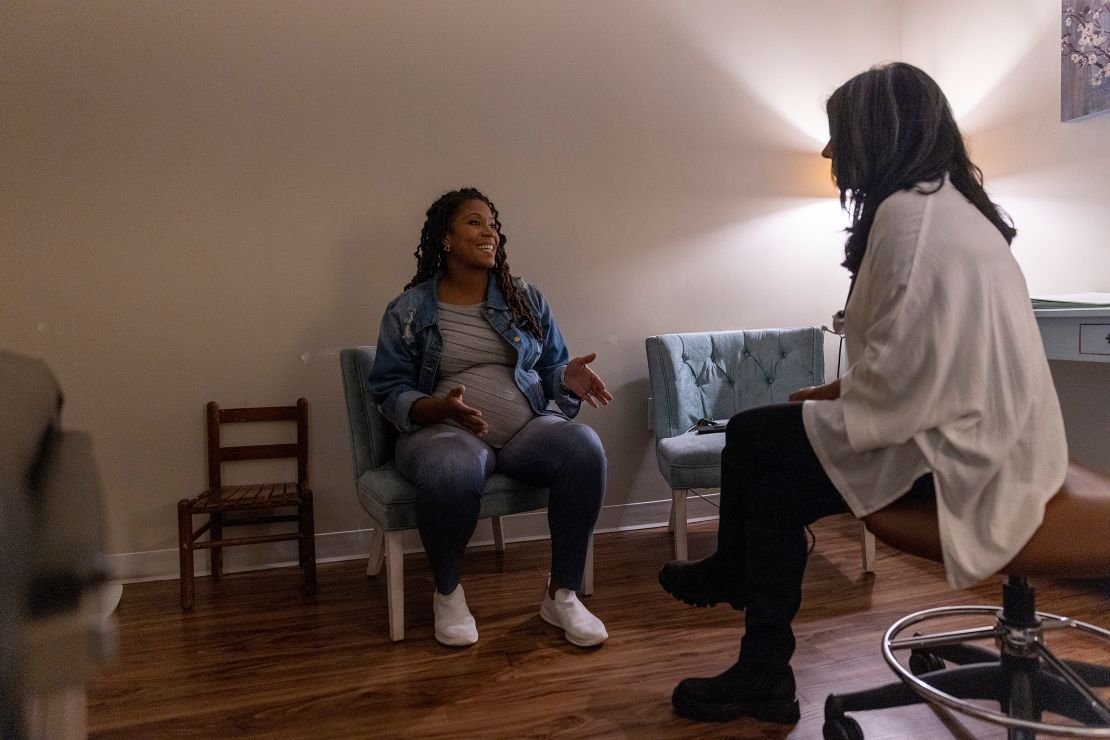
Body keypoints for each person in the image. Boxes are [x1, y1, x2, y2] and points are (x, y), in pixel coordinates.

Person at [657, 62, 1068, 724]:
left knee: (758, 443)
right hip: (996, 436)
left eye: (836, 134)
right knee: (767, 450)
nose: (827, 151)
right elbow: (923, 355)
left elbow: (901, 383)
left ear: (875, 132)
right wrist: (830, 392)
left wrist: (830, 405)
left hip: (963, 457)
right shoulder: (947, 207)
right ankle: (751, 634)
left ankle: (752, 636)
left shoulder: (910, 217)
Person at [368, 187, 614, 648]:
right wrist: (438, 409)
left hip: (526, 429)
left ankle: (561, 594)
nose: (490, 233)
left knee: (584, 448)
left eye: (493, 224)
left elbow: (550, 366)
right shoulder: (409, 310)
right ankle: (448, 593)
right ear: (446, 237)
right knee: (451, 468)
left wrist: (566, 379)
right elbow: (389, 389)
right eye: (475, 222)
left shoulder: (524, 297)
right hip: (445, 432)